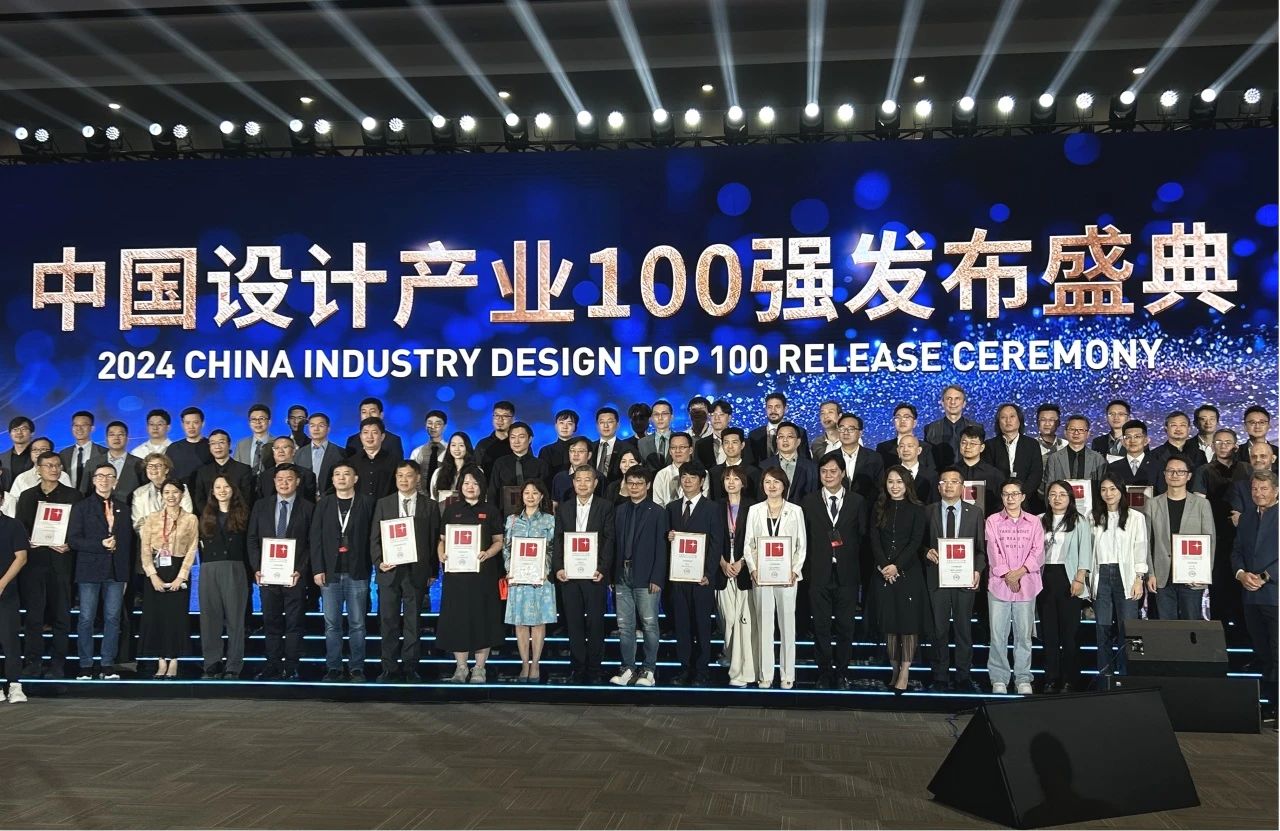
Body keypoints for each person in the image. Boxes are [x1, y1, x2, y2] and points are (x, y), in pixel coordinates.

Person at [371, 460, 441, 683]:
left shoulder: (429, 506)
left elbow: (433, 541)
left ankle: (410, 667)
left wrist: (433, 571)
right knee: (388, 621)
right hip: (389, 572)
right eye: (400, 475)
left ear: (417, 478)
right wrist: (379, 562)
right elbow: (374, 538)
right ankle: (389, 667)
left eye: (408, 475)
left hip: (416, 572)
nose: (404, 480)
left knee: (413, 622)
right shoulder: (384, 503)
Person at [802, 452, 866, 690]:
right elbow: (804, 538)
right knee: (821, 627)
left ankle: (842, 673)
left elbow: (862, 537)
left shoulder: (857, 501)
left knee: (845, 628)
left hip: (847, 575)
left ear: (842, 473)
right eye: (823, 472)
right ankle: (824, 673)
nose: (828, 476)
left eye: (833, 471)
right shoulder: (808, 501)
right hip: (818, 574)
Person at [436, 465, 505, 683]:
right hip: (456, 576)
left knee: (483, 618)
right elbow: (442, 540)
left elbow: (499, 541)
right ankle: (461, 668)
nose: (470, 487)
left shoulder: (491, 510)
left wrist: (488, 553)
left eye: (475, 483)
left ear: (481, 486)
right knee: (458, 619)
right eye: (466, 483)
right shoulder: (451, 509)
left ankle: (479, 669)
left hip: (483, 575)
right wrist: (441, 554)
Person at [15, 451, 81, 678]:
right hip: (34, 564)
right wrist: (27, 541)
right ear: (38, 469)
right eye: (49, 466)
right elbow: (21, 528)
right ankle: (33, 663)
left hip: (62, 563)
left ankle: (57, 664)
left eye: (57, 466)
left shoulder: (74, 496)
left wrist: (69, 543)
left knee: (61, 616)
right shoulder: (27, 496)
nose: (54, 469)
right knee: (34, 617)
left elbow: (78, 529)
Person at [247, 464, 315, 681]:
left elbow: (312, 543)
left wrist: (300, 570)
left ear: (297, 482)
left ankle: (292, 666)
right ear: (274, 481)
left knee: (295, 623)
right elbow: (252, 539)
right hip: (267, 575)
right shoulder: (261, 506)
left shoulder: (308, 508)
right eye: (280, 479)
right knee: (271, 622)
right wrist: (257, 568)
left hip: (294, 576)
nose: (284, 483)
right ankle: (272, 665)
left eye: (289, 479)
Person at [67, 462, 135, 680]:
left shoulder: (123, 508)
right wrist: (100, 544)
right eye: (100, 476)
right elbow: (73, 540)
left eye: (109, 476)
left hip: (115, 571)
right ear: (94, 480)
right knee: (86, 618)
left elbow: (128, 543)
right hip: (89, 569)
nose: (104, 480)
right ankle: (85, 665)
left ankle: (107, 664)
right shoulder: (82, 507)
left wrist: (125, 574)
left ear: (116, 481)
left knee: (113, 618)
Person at [924, 466, 987, 693]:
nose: (949, 485)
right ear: (938, 487)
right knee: (938, 630)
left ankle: (963, 676)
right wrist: (926, 552)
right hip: (937, 579)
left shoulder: (975, 512)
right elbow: (919, 543)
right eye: (944, 482)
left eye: (954, 481)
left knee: (963, 630)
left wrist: (978, 571)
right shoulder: (928, 511)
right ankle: (940, 676)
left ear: (962, 487)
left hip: (964, 579)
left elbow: (981, 549)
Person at [744, 466, 807, 689]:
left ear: (784, 486)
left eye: (776, 482)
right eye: (767, 482)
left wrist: (794, 570)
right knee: (764, 625)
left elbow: (801, 545)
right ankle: (766, 674)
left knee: (788, 625)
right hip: (761, 576)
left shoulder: (795, 511)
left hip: (787, 577)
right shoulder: (755, 510)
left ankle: (788, 674)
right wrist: (753, 569)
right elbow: (748, 544)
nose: (772, 486)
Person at [311, 462, 374, 682]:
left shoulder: (367, 502)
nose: (341, 477)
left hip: (358, 571)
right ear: (332, 479)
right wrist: (317, 568)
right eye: (337, 474)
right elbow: (315, 538)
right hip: (330, 573)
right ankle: (334, 667)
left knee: (358, 624)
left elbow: (374, 537)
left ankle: (357, 668)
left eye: (347, 474)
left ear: (355, 479)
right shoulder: (324, 504)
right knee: (332, 625)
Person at [552, 464, 614, 684]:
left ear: (595, 483)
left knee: (596, 624)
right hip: (569, 576)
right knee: (574, 624)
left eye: (588, 479)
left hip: (595, 575)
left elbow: (609, 540)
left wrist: (603, 569)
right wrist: (558, 567)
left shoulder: (605, 507)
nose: (583, 484)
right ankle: (578, 669)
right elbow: (558, 539)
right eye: (578, 480)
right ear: (573, 482)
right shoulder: (564, 508)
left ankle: (595, 670)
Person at [869, 466, 928, 693]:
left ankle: (905, 670)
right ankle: (894, 669)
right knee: (890, 624)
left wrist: (896, 566)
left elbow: (915, 542)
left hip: (908, 573)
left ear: (907, 484)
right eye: (891, 481)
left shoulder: (917, 509)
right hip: (883, 572)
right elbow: (874, 539)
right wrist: (884, 565)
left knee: (908, 624)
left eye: (899, 482)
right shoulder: (879, 507)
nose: (895, 486)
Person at [664, 462, 723, 687]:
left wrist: (708, 572)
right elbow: (666, 542)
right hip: (678, 578)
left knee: (702, 625)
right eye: (684, 476)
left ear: (702, 481)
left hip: (702, 579)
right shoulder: (671, 508)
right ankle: (684, 668)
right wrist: (669, 537)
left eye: (692, 477)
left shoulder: (712, 508)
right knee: (682, 625)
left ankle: (702, 671)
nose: (687, 480)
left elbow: (716, 543)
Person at [609, 466, 668, 687]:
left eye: (639, 483)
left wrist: (657, 578)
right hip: (622, 574)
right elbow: (614, 545)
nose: (634, 487)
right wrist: (612, 576)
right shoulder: (619, 510)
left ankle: (649, 669)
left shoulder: (658, 512)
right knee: (625, 626)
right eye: (630, 483)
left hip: (647, 576)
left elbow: (662, 548)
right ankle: (627, 668)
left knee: (650, 624)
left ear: (648, 485)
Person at [984, 478, 1044, 695]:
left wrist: (1019, 573)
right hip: (999, 584)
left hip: (1027, 584)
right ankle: (999, 678)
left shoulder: (1034, 522)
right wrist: (1008, 575)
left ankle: (1023, 677)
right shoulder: (992, 521)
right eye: (1006, 494)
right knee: (998, 635)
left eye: (1015, 494)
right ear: (1002, 497)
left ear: (1023, 496)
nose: (1010, 498)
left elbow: (1038, 551)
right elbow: (993, 551)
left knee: (1024, 635)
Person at [138, 478, 198, 679]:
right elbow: (145, 548)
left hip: (178, 570)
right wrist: (152, 575)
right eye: (167, 492)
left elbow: (192, 549)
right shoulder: (152, 518)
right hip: (157, 571)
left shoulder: (190, 519)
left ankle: (174, 660)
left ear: (182, 494)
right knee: (157, 617)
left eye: (175, 492)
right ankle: (161, 660)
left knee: (176, 618)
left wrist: (181, 577)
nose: (171, 496)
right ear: (161, 495)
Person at [1090, 475, 1148, 678]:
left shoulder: (1135, 517)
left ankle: (1131, 674)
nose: (1108, 493)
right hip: (1102, 575)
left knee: (1130, 628)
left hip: (1127, 576)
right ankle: (1105, 675)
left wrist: (1139, 578)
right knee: (1102, 628)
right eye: (1104, 489)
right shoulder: (1093, 517)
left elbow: (1140, 548)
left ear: (1121, 491)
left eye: (1113, 489)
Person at [1193, 427, 1251, 626]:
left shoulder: (1247, 469)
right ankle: (1220, 633)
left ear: (1236, 445)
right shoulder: (1203, 471)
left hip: (1244, 535)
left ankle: (1244, 635)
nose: (1223, 446)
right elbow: (1199, 505)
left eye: (1228, 442)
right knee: (1219, 585)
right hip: (1216, 537)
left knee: (1242, 587)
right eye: (1218, 442)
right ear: (1212, 445)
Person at [1232, 470, 1278, 715]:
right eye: (1255, 489)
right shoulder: (1247, 517)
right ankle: (1270, 706)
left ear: (1276, 491)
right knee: (1263, 652)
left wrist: (1264, 577)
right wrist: (1241, 574)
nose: (1258, 493)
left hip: (1275, 595)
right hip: (1251, 596)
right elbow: (1237, 551)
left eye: (1264, 488)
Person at [1037, 481, 1091, 693]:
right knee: (1048, 632)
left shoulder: (1079, 521)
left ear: (1070, 498)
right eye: (1053, 494)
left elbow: (1085, 550)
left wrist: (1080, 578)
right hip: (1044, 578)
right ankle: (1051, 678)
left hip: (1068, 578)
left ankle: (1070, 679)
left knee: (1070, 633)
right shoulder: (1039, 520)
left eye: (1062, 494)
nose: (1057, 498)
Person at [1147, 454, 1215, 620]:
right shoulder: (1152, 504)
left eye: (1180, 471)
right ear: (1164, 474)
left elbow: (1210, 541)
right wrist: (1150, 574)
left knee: (1192, 625)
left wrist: (1204, 574)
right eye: (1170, 471)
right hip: (1162, 577)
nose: (1175, 475)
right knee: (1166, 627)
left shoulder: (1202, 504)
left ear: (1189, 476)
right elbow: (1147, 542)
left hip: (1192, 577)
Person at [503, 479, 557, 682]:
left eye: (535, 493)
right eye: (527, 493)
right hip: (518, 578)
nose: (531, 496)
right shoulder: (512, 520)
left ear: (541, 496)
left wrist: (545, 570)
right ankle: (524, 663)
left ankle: (536, 664)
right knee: (520, 622)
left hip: (541, 578)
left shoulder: (550, 521)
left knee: (538, 622)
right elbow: (507, 548)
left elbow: (553, 549)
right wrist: (510, 569)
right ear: (522, 496)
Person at [197, 475, 250, 680]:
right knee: (209, 618)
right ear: (212, 491)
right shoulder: (206, 514)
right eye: (217, 487)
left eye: (226, 486)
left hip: (235, 568)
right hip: (209, 569)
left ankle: (233, 665)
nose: (222, 490)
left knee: (236, 619)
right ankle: (212, 663)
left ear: (233, 489)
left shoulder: (244, 514)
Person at [716, 466, 756, 687]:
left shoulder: (753, 507)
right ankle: (729, 655)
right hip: (722, 567)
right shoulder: (715, 506)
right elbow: (711, 538)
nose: (731, 482)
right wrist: (722, 562)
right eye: (727, 478)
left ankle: (739, 665)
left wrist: (742, 562)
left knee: (743, 621)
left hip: (744, 567)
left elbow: (756, 538)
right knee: (728, 618)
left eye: (736, 478)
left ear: (743, 482)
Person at [983, 403, 1043, 508]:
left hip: (1027, 501)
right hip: (998, 502)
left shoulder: (1032, 444)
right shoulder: (989, 445)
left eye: (1012, 416)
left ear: (1019, 420)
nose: (1008, 420)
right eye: (1003, 417)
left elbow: (1036, 474)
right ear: (998, 422)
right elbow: (989, 475)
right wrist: (1005, 496)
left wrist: (1021, 496)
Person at [1042, 414, 1108, 502]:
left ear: (1088, 434)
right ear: (1065, 433)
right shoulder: (1054, 458)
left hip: (1090, 506)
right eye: (1072, 429)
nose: (1076, 433)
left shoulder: (1098, 459)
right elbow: (1048, 488)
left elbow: (1102, 488)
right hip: (1061, 505)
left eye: (1081, 430)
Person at [487, 421, 548, 516]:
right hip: (503, 516)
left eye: (521, 437)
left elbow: (545, 494)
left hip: (534, 516)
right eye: (513, 437)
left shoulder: (540, 464)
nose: (516, 441)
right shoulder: (500, 463)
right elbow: (493, 493)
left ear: (530, 439)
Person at [4, 437, 72, 516]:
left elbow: (69, 500)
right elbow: (13, 504)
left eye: (43, 449)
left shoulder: (62, 476)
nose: (38, 452)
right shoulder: (21, 478)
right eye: (35, 450)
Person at [0, 503, 27, 702]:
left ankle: (14, 685)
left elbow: (21, 557)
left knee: (10, 639)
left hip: (7, 592)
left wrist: (2, 583)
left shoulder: (13, 525)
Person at [191, 429, 256, 512]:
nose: (217, 446)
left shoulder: (243, 470)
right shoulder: (202, 472)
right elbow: (199, 499)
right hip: (209, 517)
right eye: (213, 443)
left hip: (238, 517)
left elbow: (247, 498)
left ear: (229, 445)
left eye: (221, 442)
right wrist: (211, 515)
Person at [925, 385, 984, 469]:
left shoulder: (977, 427)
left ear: (964, 403)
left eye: (957, 398)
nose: (953, 402)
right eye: (949, 398)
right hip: (939, 474)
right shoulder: (930, 429)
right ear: (942, 403)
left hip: (969, 474)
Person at [83, 421, 146, 499]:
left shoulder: (140, 464)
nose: (116, 438)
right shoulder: (92, 463)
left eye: (120, 435)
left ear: (127, 439)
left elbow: (145, 492)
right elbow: (84, 493)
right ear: (106, 439)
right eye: (112, 435)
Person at [760, 422, 818, 504]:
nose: (785, 440)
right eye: (781, 437)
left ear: (798, 441)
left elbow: (814, 495)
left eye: (790, 436)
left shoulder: (812, 468)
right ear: (776, 441)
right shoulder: (764, 466)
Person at [955, 426, 1006, 516]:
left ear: (982, 447)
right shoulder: (950, 472)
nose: (967, 447)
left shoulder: (994, 474)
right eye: (964, 442)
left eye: (973, 443)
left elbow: (1001, 503)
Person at [834, 413, 883, 504]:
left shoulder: (874, 458)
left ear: (860, 433)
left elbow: (879, 488)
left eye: (851, 429)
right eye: (842, 428)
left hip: (866, 507)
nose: (846, 432)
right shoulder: (830, 457)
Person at [346, 417, 399, 501]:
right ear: (360, 436)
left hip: (386, 507)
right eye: (365, 432)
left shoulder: (394, 461)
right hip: (359, 507)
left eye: (374, 432)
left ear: (382, 436)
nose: (369, 436)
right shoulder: (351, 462)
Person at [748, 392, 811, 462]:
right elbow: (751, 463)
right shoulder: (754, 435)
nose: (773, 410)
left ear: (785, 409)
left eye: (777, 407)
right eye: (769, 407)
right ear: (765, 409)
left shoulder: (800, 432)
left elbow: (806, 461)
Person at [875, 403, 936, 474]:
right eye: (898, 417)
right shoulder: (882, 448)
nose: (902, 420)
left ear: (915, 423)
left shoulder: (926, 448)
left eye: (906, 417)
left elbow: (931, 474)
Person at [297, 413, 345, 497]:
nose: (316, 429)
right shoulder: (300, 453)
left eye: (321, 425)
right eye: (312, 426)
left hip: (331, 498)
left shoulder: (340, 453)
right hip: (305, 499)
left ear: (328, 429)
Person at [256, 437, 318, 503]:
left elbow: (309, 504)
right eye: (277, 448)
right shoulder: (264, 476)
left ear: (293, 451)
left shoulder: (307, 475)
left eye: (285, 447)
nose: (280, 451)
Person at [708, 427, 760, 502]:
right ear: (722, 445)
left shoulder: (753, 472)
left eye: (734, 442)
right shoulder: (714, 472)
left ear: (742, 445)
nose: (730, 446)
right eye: (726, 442)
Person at [652, 432, 705, 505]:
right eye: (673, 448)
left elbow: (704, 501)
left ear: (690, 450)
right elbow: (657, 504)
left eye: (682, 447)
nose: (677, 451)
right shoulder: (661, 475)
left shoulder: (702, 473)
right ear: (670, 451)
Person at [59, 410, 106, 493]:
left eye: (83, 425)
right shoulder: (64, 454)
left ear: (92, 428)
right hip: (69, 497)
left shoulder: (104, 453)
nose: (79, 429)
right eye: (76, 425)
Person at [1105, 419, 1159, 489]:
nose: (1132, 441)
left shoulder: (1158, 465)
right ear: (1123, 442)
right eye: (1128, 437)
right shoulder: (1113, 468)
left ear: (1146, 441)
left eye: (1137, 436)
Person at [165, 406, 213, 483]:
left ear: (202, 423)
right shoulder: (173, 448)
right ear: (182, 425)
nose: (191, 426)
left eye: (195, 422)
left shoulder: (212, 446)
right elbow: (166, 474)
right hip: (179, 489)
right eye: (187, 423)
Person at [592, 406, 635, 489]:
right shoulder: (590, 447)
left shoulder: (627, 448)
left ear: (617, 425)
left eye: (610, 422)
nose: (606, 426)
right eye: (602, 422)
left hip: (617, 492)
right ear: (597, 425)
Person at [410, 410, 449, 491]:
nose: (433, 427)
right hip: (422, 495)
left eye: (438, 424)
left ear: (445, 427)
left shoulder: (450, 450)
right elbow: (412, 475)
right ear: (425, 426)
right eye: (430, 423)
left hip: (445, 494)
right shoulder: (417, 452)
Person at [430, 432, 475, 501]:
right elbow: (433, 498)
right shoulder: (438, 472)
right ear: (449, 448)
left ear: (467, 447)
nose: (457, 449)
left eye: (461, 445)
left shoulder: (476, 472)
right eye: (453, 445)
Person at [697, 399, 740, 470]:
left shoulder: (742, 442)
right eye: (713, 415)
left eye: (721, 414)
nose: (716, 418)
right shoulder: (701, 444)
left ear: (729, 418)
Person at [233, 404, 276, 476]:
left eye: (261, 418)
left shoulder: (277, 443)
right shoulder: (241, 445)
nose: (257, 422)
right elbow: (236, 469)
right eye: (253, 419)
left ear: (269, 422)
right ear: (249, 423)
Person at [536, 409, 578, 479]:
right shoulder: (546, 451)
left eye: (569, 423)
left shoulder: (581, 450)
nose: (565, 427)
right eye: (561, 423)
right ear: (555, 426)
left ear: (575, 427)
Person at [474, 400, 516, 470]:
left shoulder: (518, 444)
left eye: (505, 416)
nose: (500, 419)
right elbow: (475, 471)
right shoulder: (482, 445)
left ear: (513, 419)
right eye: (497, 415)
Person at [550, 437, 593, 504]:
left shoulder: (598, 477)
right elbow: (555, 504)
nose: (576, 454)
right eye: (572, 451)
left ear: (589, 455)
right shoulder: (559, 477)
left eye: (581, 451)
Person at [896, 435, 938, 504]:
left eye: (910, 446)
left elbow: (935, 502)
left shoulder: (932, 475)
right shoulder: (891, 474)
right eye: (902, 446)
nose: (905, 449)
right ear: (898, 450)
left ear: (919, 450)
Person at [637, 400, 675, 469]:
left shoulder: (682, 440)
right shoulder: (642, 443)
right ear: (651, 418)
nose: (660, 418)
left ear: (671, 417)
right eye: (656, 414)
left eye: (664, 413)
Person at [4, 416, 35, 489]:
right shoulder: (2, 458)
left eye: (23, 429)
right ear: (10, 434)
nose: (19, 432)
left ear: (32, 433)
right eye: (15, 429)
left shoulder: (40, 456)